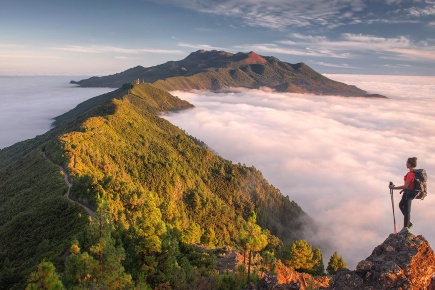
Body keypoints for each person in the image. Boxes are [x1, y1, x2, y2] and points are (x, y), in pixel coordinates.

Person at [389, 157, 418, 234]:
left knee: (407, 210)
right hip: (410, 193)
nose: (406, 164)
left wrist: (393, 188)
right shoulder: (415, 173)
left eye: (407, 163)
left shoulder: (410, 174)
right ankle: (408, 223)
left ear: (409, 164)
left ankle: (405, 228)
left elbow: (406, 186)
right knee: (401, 205)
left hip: (408, 194)